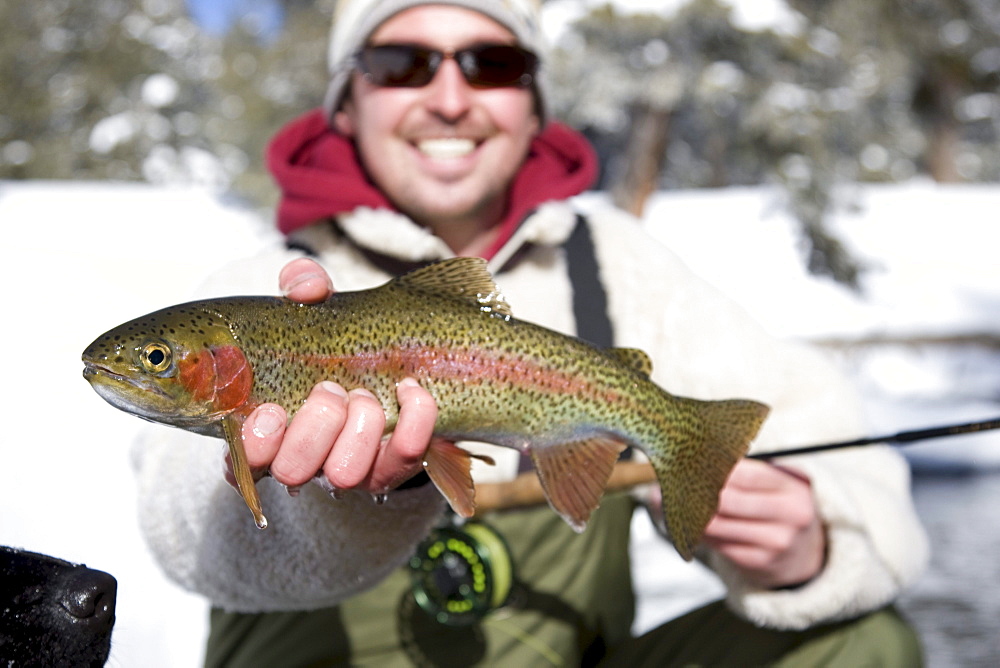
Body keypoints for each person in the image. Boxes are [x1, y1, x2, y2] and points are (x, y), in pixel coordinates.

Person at [131, 0, 929, 665]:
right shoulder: (270, 284)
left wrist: (811, 544)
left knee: (868, 644)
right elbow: (181, 531)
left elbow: (830, 436)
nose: (449, 97)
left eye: (492, 63)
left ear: (535, 102)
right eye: (402, 63)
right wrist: (345, 501)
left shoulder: (617, 265)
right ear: (345, 97)